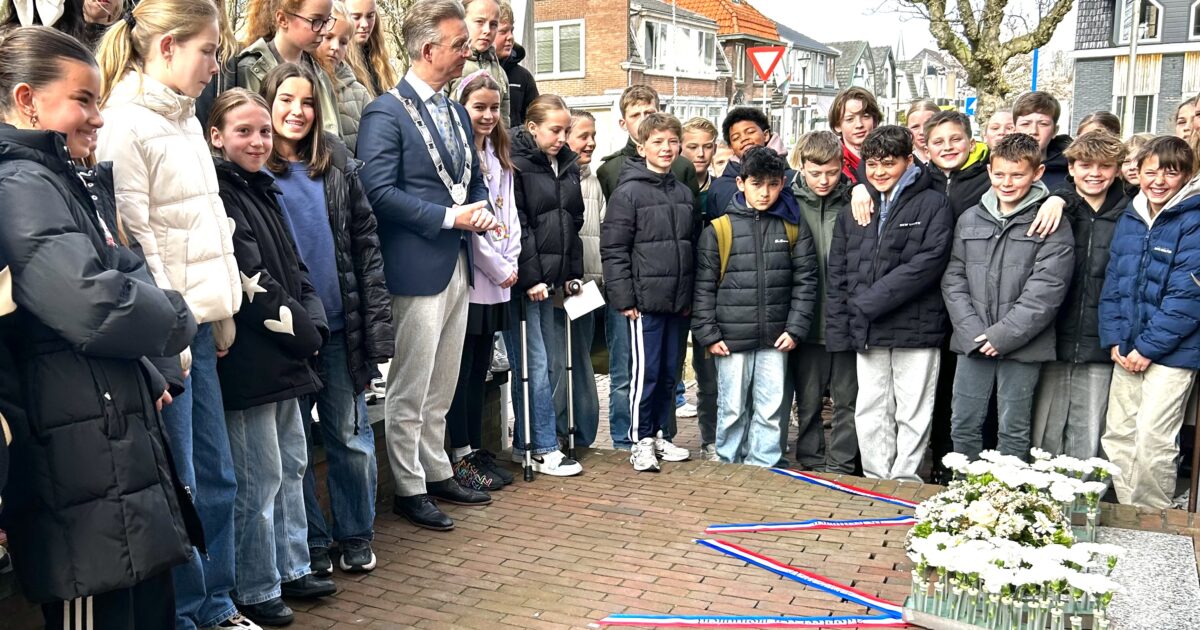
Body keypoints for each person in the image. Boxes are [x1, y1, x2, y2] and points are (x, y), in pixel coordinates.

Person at [0, 25, 200, 629]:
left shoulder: (64, 180)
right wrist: (177, 320)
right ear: (27, 100)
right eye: (82, 100)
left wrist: (152, 355)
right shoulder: (19, 183)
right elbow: (95, 302)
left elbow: (124, 269)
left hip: (109, 453)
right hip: (77, 474)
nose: (97, 116)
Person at [93, 1, 248, 627]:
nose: (216, 65)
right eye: (208, 51)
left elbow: (207, 221)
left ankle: (217, 605)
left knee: (218, 478)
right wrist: (170, 340)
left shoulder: (183, 118)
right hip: (169, 338)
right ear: (166, 48)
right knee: (183, 480)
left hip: (202, 325)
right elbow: (134, 242)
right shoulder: (125, 124)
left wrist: (225, 305)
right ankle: (186, 614)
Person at [357, 0, 497, 532]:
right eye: (459, 44)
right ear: (427, 49)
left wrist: (479, 210)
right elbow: (376, 191)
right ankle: (409, 487)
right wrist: (448, 217)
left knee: (444, 379)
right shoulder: (384, 112)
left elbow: (473, 174)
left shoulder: (457, 110)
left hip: (457, 261)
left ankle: (438, 469)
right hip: (415, 266)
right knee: (411, 384)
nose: (468, 51)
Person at [207, 82, 335, 626]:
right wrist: (301, 330)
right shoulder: (221, 192)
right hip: (252, 357)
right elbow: (251, 277)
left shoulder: (266, 188)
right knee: (256, 477)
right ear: (217, 136)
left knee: (292, 464)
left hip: (289, 355)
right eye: (244, 132)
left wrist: (315, 319)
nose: (258, 141)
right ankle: (256, 583)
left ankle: (292, 563)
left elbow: (296, 266)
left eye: (263, 131)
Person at [258, 66, 391, 586]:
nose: (297, 110)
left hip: (338, 325)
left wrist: (376, 328)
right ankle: (311, 540)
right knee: (293, 449)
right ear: (267, 104)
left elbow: (366, 246)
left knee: (349, 435)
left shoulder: (334, 165)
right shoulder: (251, 170)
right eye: (285, 99)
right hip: (284, 331)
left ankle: (355, 534)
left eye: (307, 101)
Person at [826, 126, 953, 481]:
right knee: (871, 408)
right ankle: (876, 478)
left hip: (917, 326)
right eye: (872, 164)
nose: (879, 172)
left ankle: (906, 480)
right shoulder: (854, 205)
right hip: (868, 327)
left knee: (912, 410)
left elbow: (929, 263)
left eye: (889, 163)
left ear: (909, 161)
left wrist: (869, 302)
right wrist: (843, 327)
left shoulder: (934, 203)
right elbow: (838, 269)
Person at [942, 133, 1075, 460]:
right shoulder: (970, 218)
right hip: (972, 341)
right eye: (1000, 174)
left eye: (1018, 175)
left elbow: (1046, 291)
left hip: (1023, 346)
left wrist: (1002, 335)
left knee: (1013, 428)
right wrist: (973, 331)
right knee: (963, 422)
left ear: (1037, 174)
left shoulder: (1051, 222)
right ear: (989, 171)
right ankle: (966, 492)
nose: (1007, 182)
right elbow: (953, 277)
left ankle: (1007, 500)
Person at [692, 145, 817, 467]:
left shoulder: (792, 226)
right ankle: (728, 461)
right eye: (757, 184)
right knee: (731, 406)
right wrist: (709, 333)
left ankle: (764, 463)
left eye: (773, 184)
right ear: (741, 183)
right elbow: (703, 288)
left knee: (772, 407)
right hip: (731, 338)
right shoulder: (718, 230)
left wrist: (795, 328)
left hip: (777, 337)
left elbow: (806, 280)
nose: (765, 192)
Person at [595, 84, 698, 450]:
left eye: (672, 141)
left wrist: (688, 296)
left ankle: (662, 434)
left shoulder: (685, 194)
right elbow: (615, 248)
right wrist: (625, 299)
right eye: (657, 142)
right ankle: (639, 440)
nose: (666, 149)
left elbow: (691, 247)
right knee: (645, 373)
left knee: (671, 373)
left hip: (677, 302)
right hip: (644, 302)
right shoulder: (628, 192)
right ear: (642, 147)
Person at [1100, 136, 1200, 509]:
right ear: (1138, 172)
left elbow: (1187, 297)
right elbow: (1115, 281)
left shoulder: (1193, 217)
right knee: (1119, 435)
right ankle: (1129, 509)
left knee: (1153, 438)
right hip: (1127, 345)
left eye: (1170, 172)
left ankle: (1153, 518)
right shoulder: (1133, 213)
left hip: (1171, 352)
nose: (1158, 180)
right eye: (1150, 171)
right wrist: (1115, 339)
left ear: (1187, 176)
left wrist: (1148, 348)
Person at [1031, 131, 1128, 460]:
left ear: (1117, 170)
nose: (1095, 173)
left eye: (1105, 166)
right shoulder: (1054, 208)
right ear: (1071, 168)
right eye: (1086, 165)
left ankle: (1081, 507)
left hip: (1101, 341)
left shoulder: (1131, 211)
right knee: (1043, 433)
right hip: (1053, 337)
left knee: (1089, 434)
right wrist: (1058, 198)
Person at [446, 71, 521, 491]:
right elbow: (473, 225)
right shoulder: (461, 158)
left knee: (479, 372)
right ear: (462, 107)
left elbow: (508, 214)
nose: (489, 115)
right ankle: (459, 454)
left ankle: (474, 448)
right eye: (480, 107)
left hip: (500, 279)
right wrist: (497, 265)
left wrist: (512, 259)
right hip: (475, 277)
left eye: (495, 107)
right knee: (460, 373)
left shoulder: (498, 155)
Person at [507, 94, 585, 476]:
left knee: (551, 363)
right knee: (533, 364)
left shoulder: (567, 165)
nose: (562, 137)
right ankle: (541, 445)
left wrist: (572, 272)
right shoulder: (518, 165)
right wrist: (533, 277)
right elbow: (519, 225)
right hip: (528, 283)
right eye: (555, 130)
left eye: (566, 130)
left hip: (555, 280)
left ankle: (534, 438)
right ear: (532, 127)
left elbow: (573, 220)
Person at [788, 130, 858, 473]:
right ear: (802, 167)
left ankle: (843, 461)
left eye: (831, 172)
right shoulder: (789, 202)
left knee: (847, 397)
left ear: (842, 166)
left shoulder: (855, 200)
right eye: (815, 173)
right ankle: (810, 456)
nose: (824, 180)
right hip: (806, 317)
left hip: (844, 317)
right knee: (809, 397)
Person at [558, 108, 601, 449]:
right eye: (583, 136)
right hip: (565, 284)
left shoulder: (594, 179)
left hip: (588, 287)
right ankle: (559, 431)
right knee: (560, 361)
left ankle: (582, 435)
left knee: (582, 361)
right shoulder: (562, 177)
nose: (590, 143)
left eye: (592, 136)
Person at [237, 0, 340, 136]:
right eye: (316, 21)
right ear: (283, 19)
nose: (324, 31)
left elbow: (337, 140)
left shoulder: (319, 73)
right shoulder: (251, 69)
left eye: (327, 21)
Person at [681, 116, 720, 460]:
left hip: (712, 292)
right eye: (693, 146)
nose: (701, 153)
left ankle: (711, 438)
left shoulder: (722, 189)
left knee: (709, 374)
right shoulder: (673, 185)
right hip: (676, 289)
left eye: (708, 146)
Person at [708, 106, 796, 221]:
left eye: (750, 132)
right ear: (731, 147)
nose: (744, 139)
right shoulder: (720, 187)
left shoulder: (793, 179)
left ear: (766, 135)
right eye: (736, 138)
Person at [315, 0, 373, 154]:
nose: (335, 47)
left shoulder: (359, 94)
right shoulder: (298, 82)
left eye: (343, 42)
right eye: (328, 37)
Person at [448, 0, 508, 128]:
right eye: (479, 22)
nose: (487, 30)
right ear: (461, 21)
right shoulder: (449, 65)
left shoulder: (500, 73)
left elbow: (504, 127)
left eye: (493, 24)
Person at [1013, 91, 1072, 189]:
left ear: (1054, 131)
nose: (1033, 131)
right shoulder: (996, 170)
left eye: (1043, 124)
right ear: (1014, 130)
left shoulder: (1071, 174)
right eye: (1025, 124)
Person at [829, 87, 881, 184]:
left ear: (874, 120)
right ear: (837, 125)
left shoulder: (890, 154)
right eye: (850, 119)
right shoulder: (832, 161)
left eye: (865, 116)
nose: (859, 125)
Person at [496, 1, 535, 127]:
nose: (510, 37)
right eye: (503, 32)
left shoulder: (523, 77)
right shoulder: (462, 69)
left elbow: (536, 121)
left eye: (511, 31)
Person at [346, 0, 395, 96]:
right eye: (356, 17)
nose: (365, 24)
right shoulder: (337, 62)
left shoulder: (377, 57)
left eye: (370, 16)